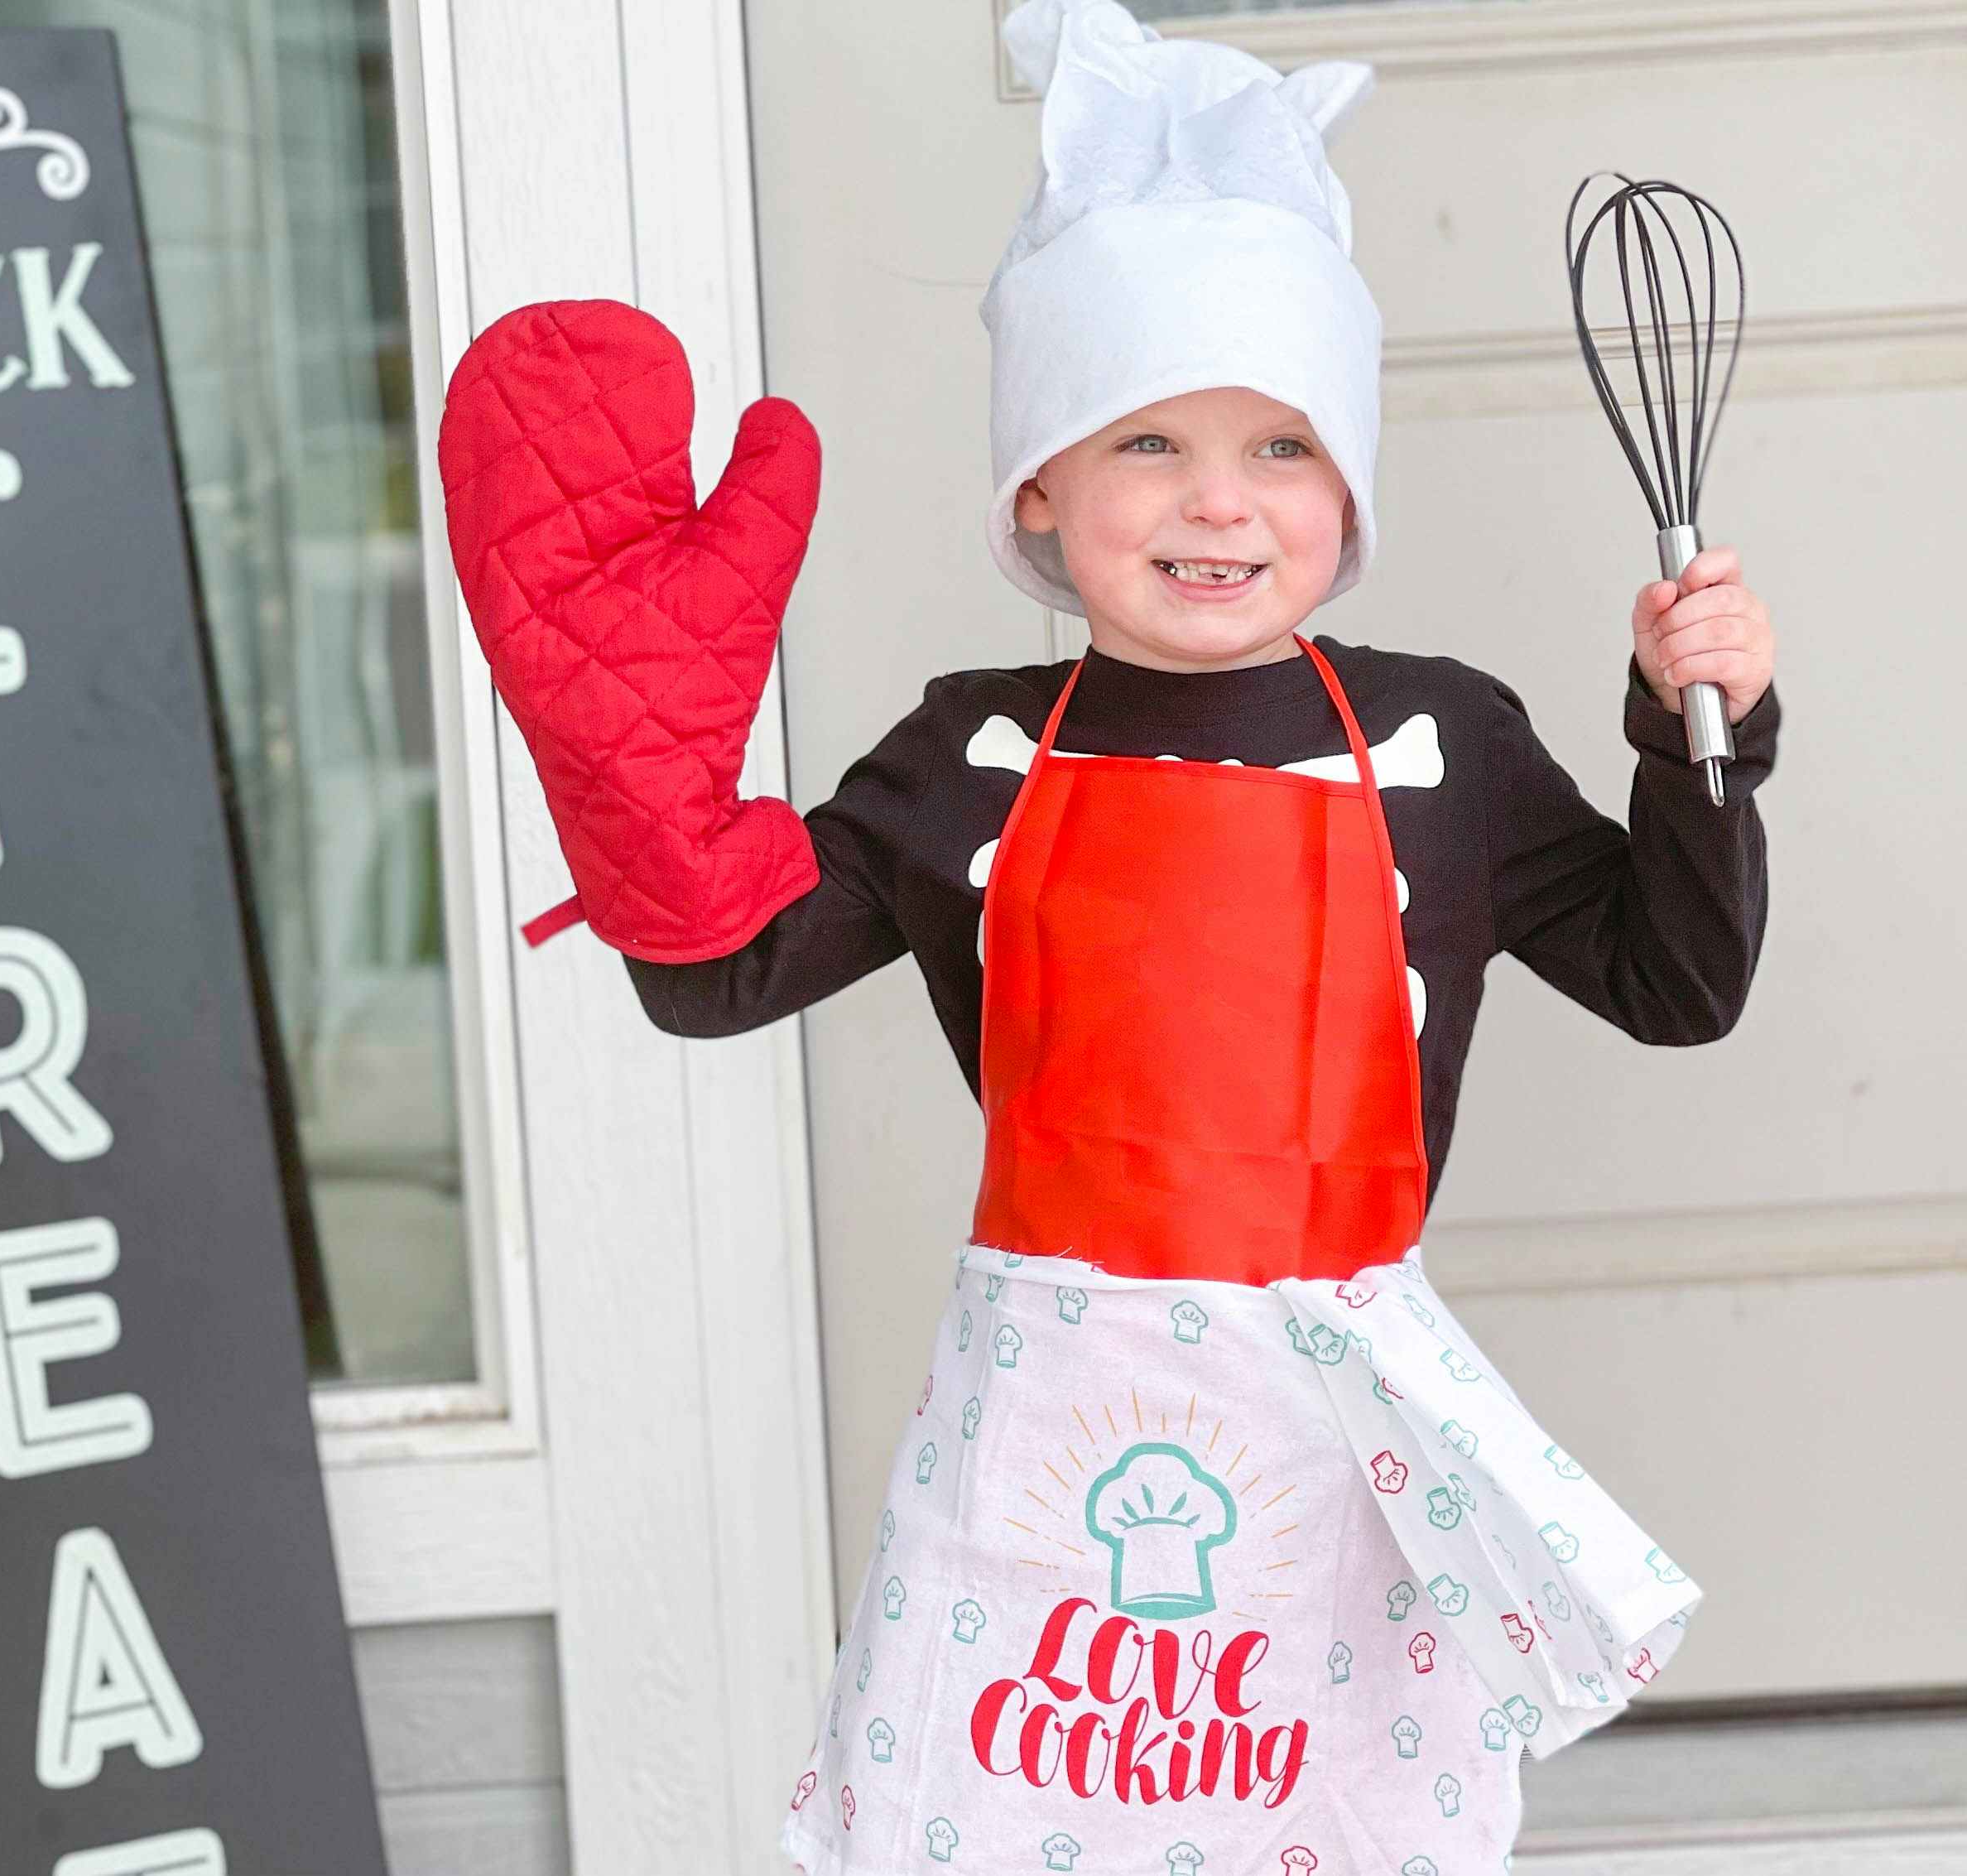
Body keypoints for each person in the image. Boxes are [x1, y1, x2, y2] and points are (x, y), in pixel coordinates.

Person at [439, 2, 1778, 1868]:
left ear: (1344, 492)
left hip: (1336, 1439)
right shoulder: (968, 757)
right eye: (1143, 437)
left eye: (1281, 445)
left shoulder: (1440, 744)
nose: (1217, 498)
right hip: (1042, 1458)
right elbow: (715, 974)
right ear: (1038, 492)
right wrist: (630, 749)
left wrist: (1699, 743)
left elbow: (1675, 980)